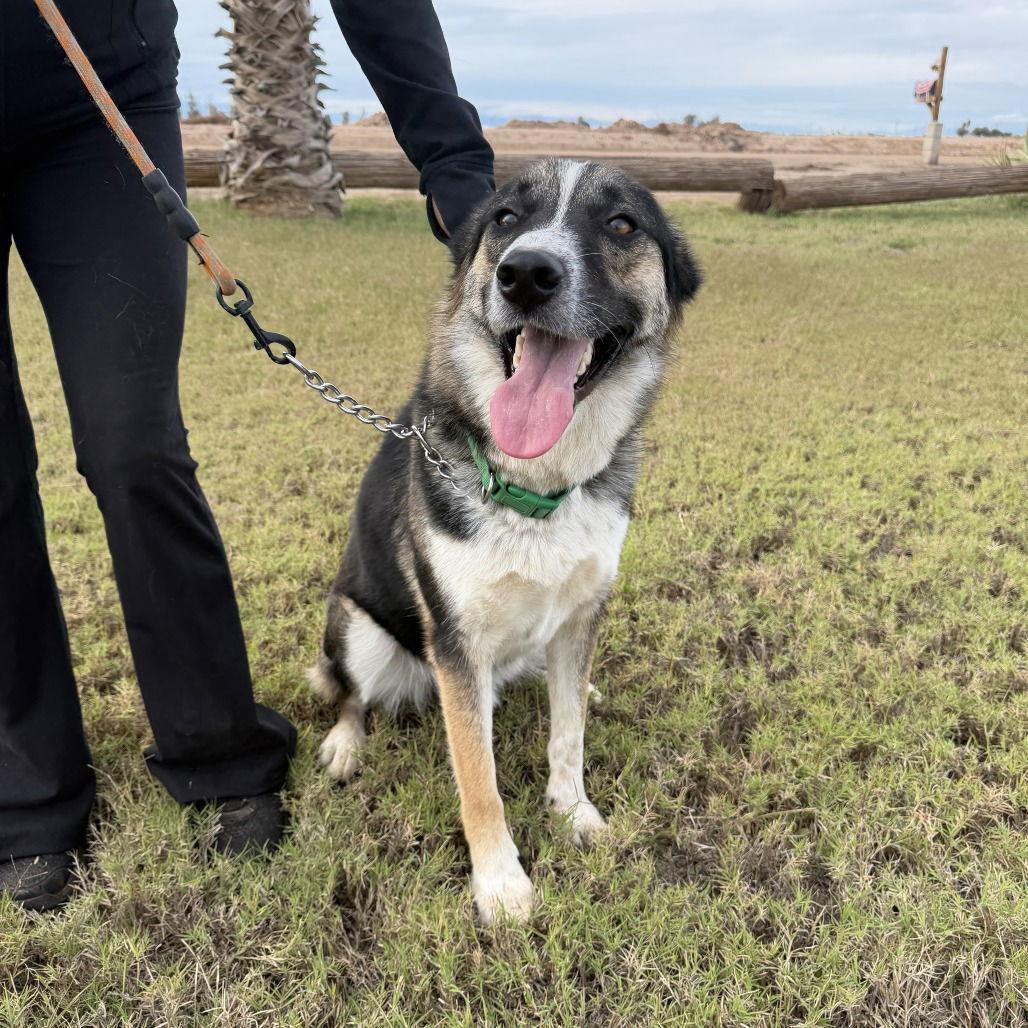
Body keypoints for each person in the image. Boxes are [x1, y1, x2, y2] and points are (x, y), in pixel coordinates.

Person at [0, 0, 494, 912]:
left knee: (133, 445)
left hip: (93, 93)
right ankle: (29, 793)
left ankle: (218, 750)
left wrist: (452, 160)